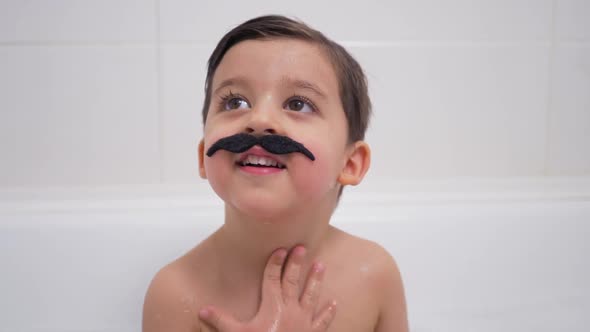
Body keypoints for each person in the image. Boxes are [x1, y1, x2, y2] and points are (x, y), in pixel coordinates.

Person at [142, 15, 408, 332]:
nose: (259, 119)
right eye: (234, 101)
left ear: (350, 164)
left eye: (298, 104)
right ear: (203, 156)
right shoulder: (176, 294)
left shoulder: (373, 276)